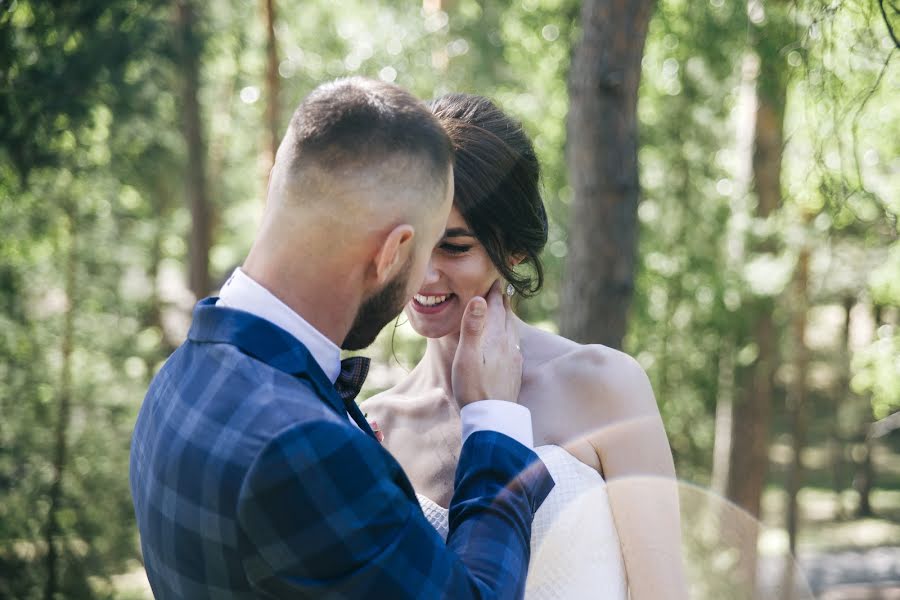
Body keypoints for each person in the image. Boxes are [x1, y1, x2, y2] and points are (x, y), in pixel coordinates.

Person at [129, 78, 555, 600]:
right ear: (392, 252)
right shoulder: (305, 447)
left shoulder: (176, 379)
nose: (425, 281)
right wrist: (495, 422)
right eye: (425, 251)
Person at [361, 94, 689, 599]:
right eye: (412, 240)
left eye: (455, 246)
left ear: (512, 250)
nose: (424, 273)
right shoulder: (375, 426)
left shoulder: (604, 386)